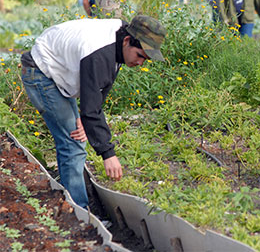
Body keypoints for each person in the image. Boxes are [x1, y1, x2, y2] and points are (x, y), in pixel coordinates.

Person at [20, 15, 166, 209]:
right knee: (72, 142)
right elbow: (92, 106)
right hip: (42, 72)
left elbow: (98, 88)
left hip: (59, 69)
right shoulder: (100, 52)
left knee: (77, 135)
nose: (141, 63)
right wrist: (108, 154)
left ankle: (72, 199)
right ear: (127, 41)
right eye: (140, 55)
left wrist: (83, 117)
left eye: (146, 59)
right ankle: (78, 211)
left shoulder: (120, 39)